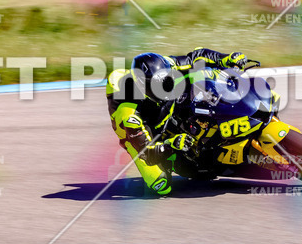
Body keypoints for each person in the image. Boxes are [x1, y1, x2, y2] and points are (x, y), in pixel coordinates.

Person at [106, 49, 247, 196]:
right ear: (144, 88)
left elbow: (196, 57)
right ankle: (174, 160)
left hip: (160, 107)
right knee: (161, 186)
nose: (166, 89)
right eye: (159, 87)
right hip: (141, 137)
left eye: (168, 82)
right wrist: (171, 145)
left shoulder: (166, 65)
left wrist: (226, 59)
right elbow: (147, 153)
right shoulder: (128, 114)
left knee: (195, 83)